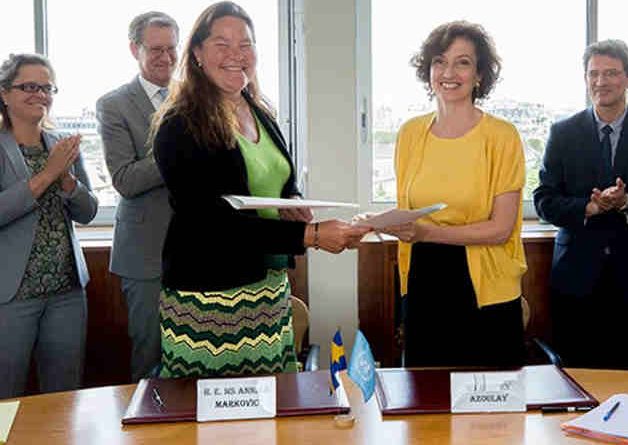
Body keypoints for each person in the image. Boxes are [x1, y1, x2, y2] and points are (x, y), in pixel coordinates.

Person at [151, 1, 369, 378]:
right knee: (212, 418)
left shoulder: (260, 110)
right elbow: (211, 221)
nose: (236, 54)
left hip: (267, 288)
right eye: (222, 43)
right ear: (198, 53)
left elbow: (279, 177)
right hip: (208, 295)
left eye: (245, 44)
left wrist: (293, 202)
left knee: (271, 411)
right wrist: (312, 235)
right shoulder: (180, 123)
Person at [380, 21, 528, 368]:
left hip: (486, 290)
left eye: (462, 62)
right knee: (424, 406)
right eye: (439, 61)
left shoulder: (502, 136)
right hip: (423, 281)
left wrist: (429, 232)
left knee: (491, 413)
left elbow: (501, 228)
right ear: (428, 71)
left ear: (479, 75)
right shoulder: (410, 133)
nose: (448, 72)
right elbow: (408, 211)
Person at [533, 40, 628, 371]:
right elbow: (543, 200)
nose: (601, 82)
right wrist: (588, 209)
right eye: (594, 74)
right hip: (577, 278)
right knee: (579, 378)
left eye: (612, 73)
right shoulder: (563, 132)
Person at [0, 53, 98, 397]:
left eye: (47, 87)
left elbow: (88, 212)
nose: (40, 94)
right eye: (29, 86)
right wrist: (48, 175)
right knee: (6, 394)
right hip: (10, 295)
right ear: (4, 93)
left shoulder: (63, 145)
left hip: (67, 292)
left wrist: (69, 184)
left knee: (65, 395)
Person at [96, 11, 179, 382]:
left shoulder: (195, 98)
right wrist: (180, 152)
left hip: (197, 248)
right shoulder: (113, 104)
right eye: (156, 49)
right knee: (150, 354)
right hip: (145, 255)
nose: (166, 57)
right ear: (135, 49)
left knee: (192, 353)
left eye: (172, 48)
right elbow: (125, 179)